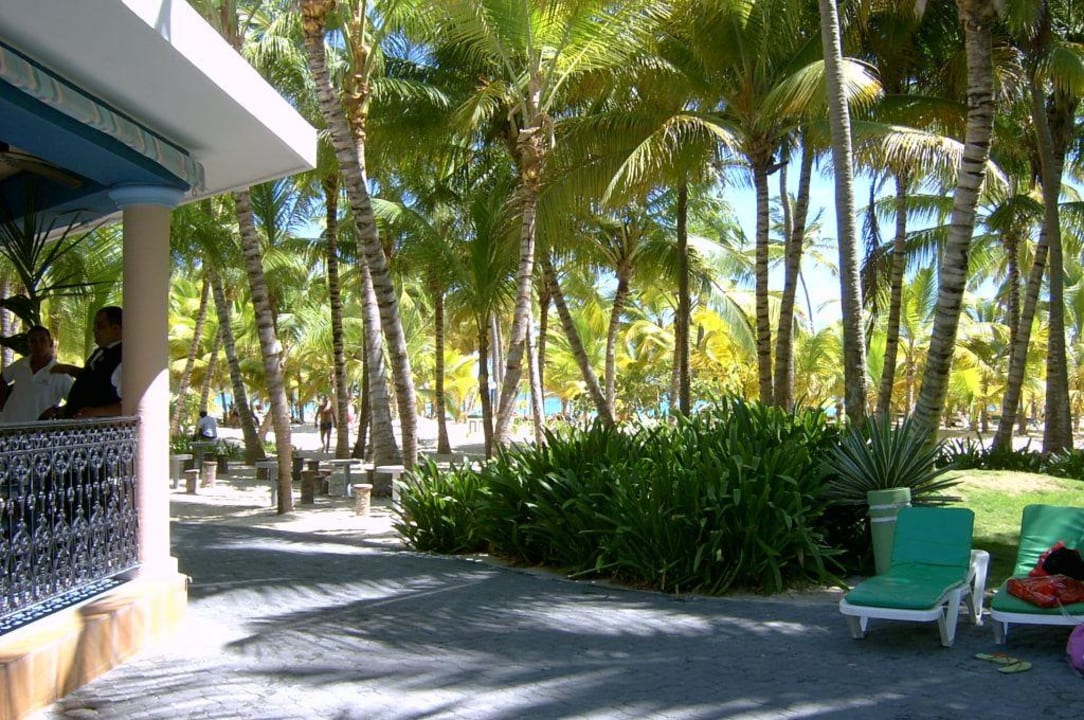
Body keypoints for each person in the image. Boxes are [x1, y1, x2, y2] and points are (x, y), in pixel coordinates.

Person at [44, 305, 123, 419]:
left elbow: (128, 402)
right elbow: (92, 380)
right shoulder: (100, 352)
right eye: (94, 326)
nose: (94, 330)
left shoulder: (123, 356)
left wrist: (96, 411)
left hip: (99, 429)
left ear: (116, 329)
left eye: (100, 326)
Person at [0, 325, 74, 423]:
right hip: (8, 424)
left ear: (51, 343)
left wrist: (57, 411)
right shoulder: (21, 364)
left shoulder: (61, 373)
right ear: (29, 345)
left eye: (42, 340)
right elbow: (3, 378)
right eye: (33, 341)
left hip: (37, 432)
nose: (38, 345)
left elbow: (76, 401)